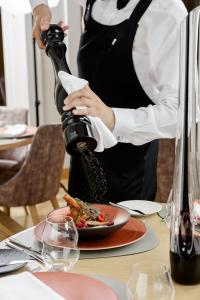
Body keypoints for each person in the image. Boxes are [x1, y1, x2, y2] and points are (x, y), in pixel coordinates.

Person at [30, 0, 187, 203]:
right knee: (80, 230)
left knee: (128, 232)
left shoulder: (167, 12)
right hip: (83, 151)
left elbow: (181, 112)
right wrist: (39, 9)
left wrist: (111, 116)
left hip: (129, 167)